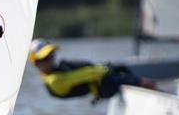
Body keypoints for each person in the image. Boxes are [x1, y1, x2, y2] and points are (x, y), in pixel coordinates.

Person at [28, 39, 157, 102]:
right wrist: (107, 68)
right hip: (103, 86)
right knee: (147, 83)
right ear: (35, 63)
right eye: (44, 58)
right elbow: (88, 75)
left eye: (51, 55)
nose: (50, 60)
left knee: (124, 69)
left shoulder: (59, 69)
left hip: (104, 81)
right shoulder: (54, 80)